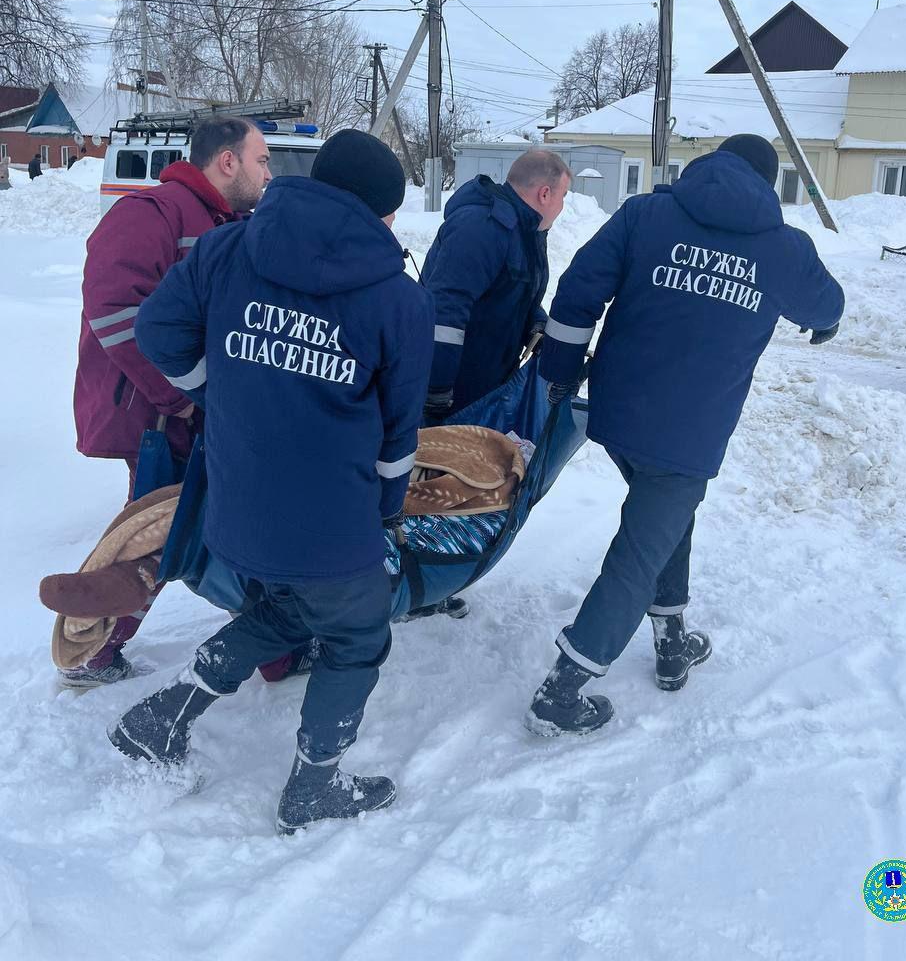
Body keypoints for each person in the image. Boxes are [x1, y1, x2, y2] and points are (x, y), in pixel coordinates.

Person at [109, 130, 433, 832]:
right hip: (330, 518)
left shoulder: (229, 248)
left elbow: (158, 330)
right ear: (380, 214)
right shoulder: (397, 301)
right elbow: (398, 435)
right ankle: (314, 787)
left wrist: (214, 393)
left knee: (291, 609)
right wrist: (383, 513)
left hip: (235, 508)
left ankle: (162, 716)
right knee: (356, 636)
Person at [525, 134, 845, 737]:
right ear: (768, 183)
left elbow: (577, 292)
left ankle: (671, 640)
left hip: (618, 415)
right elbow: (826, 307)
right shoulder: (785, 250)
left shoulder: (647, 214)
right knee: (640, 551)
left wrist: (561, 374)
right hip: (689, 435)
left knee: (666, 518)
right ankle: (562, 692)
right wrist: (823, 326)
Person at [62, 117, 271, 688]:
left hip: (200, 411)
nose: (268, 173)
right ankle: (89, 648)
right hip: (156, 416)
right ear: (227, 162)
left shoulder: (226, 222)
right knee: (156, 534)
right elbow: (114, 310)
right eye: (262, 160)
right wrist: (176, 397)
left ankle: (272, 643)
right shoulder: (150, 214)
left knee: (204, 524)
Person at [420, 149, 571, 421]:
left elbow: (510, 290)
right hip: (450, 394)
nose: (562, 206)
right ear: (545, 194)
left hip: (485, 387)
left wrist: (534, 323)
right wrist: (435, 389)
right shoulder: (482, 227)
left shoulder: (525, 230)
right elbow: (444, 310)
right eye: (563, 196)